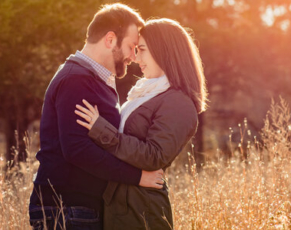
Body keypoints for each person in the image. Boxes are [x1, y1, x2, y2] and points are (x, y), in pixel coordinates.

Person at [29, 3, 165, 230]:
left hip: (78, 209)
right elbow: (76, 149)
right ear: (110, 39)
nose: (134, 56)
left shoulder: (94, 79)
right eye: (132, 46)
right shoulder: (77, 80)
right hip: (68, 209)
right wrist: (138, 177)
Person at [74, 18, 208, 230]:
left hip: (141, 209)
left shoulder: (179, 103)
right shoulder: (147, 93)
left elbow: (154, 156)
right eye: (136, 49)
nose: (136, 58)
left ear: (163, 51)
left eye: (142, 49)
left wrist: (102, 130)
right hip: (121, 204)